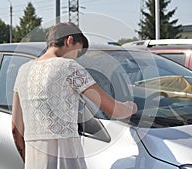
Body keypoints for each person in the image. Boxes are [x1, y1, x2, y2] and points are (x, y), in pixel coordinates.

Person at [11, 22, 137, 169]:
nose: (76, 58)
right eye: (77, 52)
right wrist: (132, 107)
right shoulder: (68, 67)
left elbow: (15, 129)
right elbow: (115, 110)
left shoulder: (23, 71)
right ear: (69, 40)